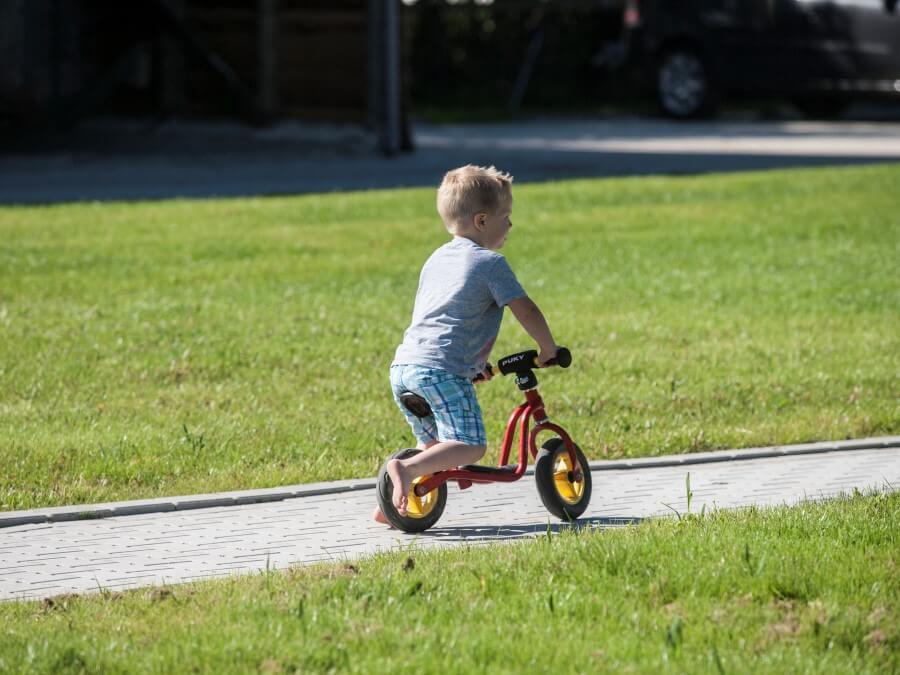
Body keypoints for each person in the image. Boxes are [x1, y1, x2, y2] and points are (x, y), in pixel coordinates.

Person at [374, 164, 558, 523]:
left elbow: (447, 320)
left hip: (405, 367)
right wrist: (548, 347)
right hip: (441, 370)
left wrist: (475, 367)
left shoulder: (436, 258)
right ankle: (405, 472)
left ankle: (393, 504)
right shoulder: (491, 264)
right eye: (507, 217)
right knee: (471, 446)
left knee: (436, 446)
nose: (511, 225)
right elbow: (526, 309)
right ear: (482, 221)